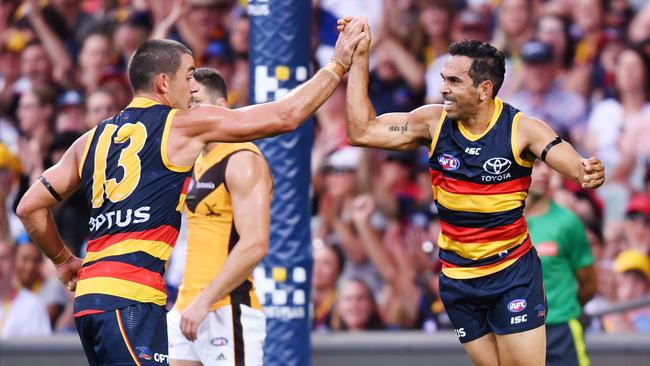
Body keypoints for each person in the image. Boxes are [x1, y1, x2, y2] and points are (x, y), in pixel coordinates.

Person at [16, 16, 366, 366]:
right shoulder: (180, 125)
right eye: (187, 78)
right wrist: (337, 65)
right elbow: (285, 116)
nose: (191, 89)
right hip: (132, 299)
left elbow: (29, 205)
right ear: (164, 83)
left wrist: (63, 261)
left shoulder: (89, 140)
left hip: (90, 302)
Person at [339, 17, 605, 366]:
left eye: (454, 81)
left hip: (511, 273)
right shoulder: (432, 123)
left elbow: (569, 161)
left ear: (484, 89)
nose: (444, 89)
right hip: (457, 279)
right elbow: (361, 131)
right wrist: (359, 59)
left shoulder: (521, 129)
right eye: (443, 80)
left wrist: (586, 170)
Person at [167, 68, 271, 366]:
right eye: (187, 105)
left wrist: (205, 300)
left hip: (226, 308)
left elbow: (255, 244)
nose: (191, 113)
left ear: (223, 108)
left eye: (196, 103)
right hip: (187, 309)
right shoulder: (197, 160)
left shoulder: (242, 160)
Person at [525, 160, 597, 366]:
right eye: (535, 164)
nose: (545, 172)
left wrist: (564, 309)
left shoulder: (568, 222)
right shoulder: (501, 223)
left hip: (561, 330)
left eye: (547, 166)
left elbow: (589, 284)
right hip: (516, 331)